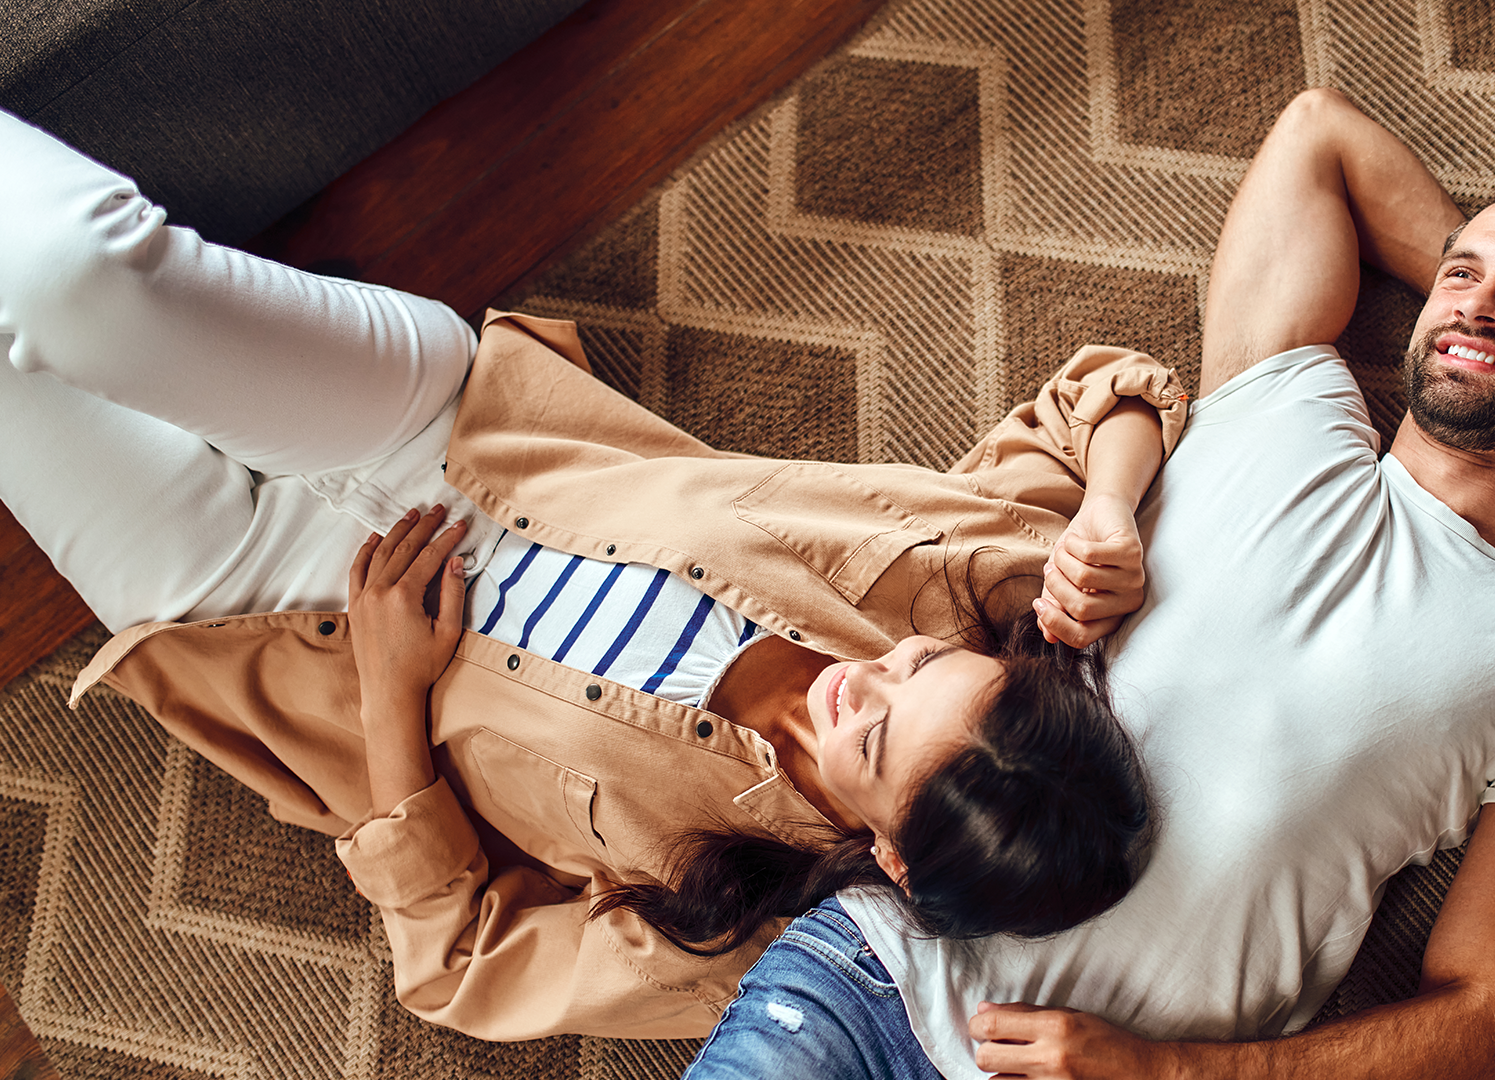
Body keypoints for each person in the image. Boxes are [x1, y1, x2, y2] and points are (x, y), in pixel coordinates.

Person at [0, 110, 1179, 1042]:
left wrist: (389, 698)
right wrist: (1113, 514)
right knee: (71, 275)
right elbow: (1100, 397)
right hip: (448, 434)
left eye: (872, 742)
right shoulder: (967, 585)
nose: (856, 685)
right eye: (916, 668)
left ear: (894, 859)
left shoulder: (729, 938)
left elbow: (464, 968)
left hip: (267, 612)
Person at [681, 87, 1495, 1080]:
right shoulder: (1289, 394)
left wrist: (1171, 1071)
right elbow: (1316, 133)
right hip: (873, 987)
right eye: (1461, 271)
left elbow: (1482, 1018)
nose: (1477, 301)